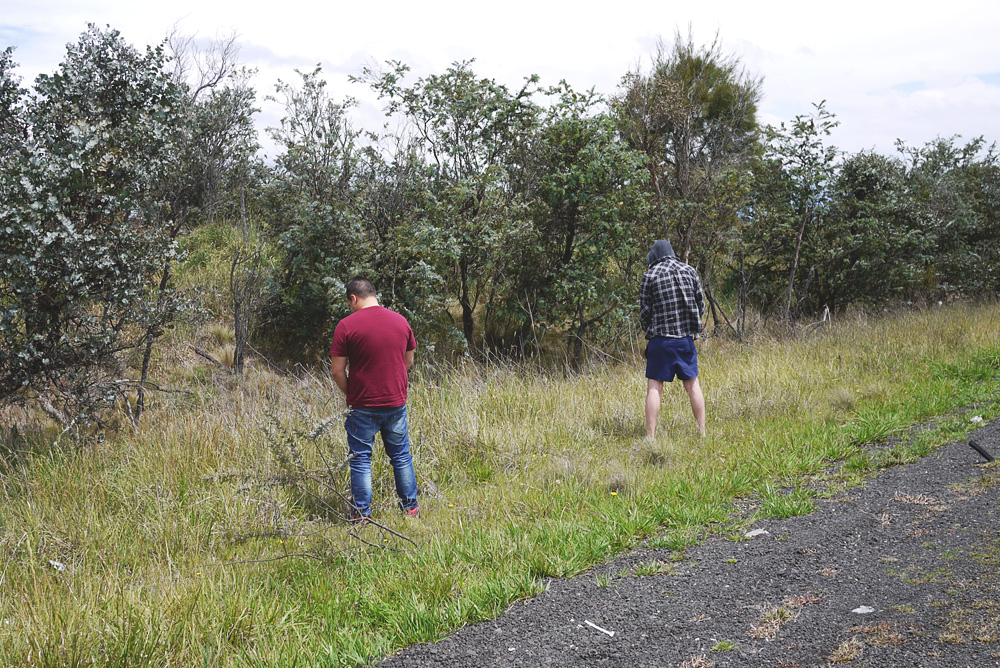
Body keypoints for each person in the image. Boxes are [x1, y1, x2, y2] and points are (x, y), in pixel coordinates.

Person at [330, 276, 419, 520]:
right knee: (401, 456)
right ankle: (410, 509)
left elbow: (337, 371)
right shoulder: (400, 321)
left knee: (360, 460)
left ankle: (361, 514)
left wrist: (352, 393)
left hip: (362, 405)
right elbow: (409, 360)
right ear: (374, 294)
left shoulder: (346, 326)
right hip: (395, 402)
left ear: (353, 298)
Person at [639, 240, 706, 439]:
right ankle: (702, 433)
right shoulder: (689, 271)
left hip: (660, 341)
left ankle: (651, 437)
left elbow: (645, 312)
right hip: (685, 340)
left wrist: (649, 330)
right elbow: (700, 305)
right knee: (693, 386)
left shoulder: (650, 275)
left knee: (654, 387)